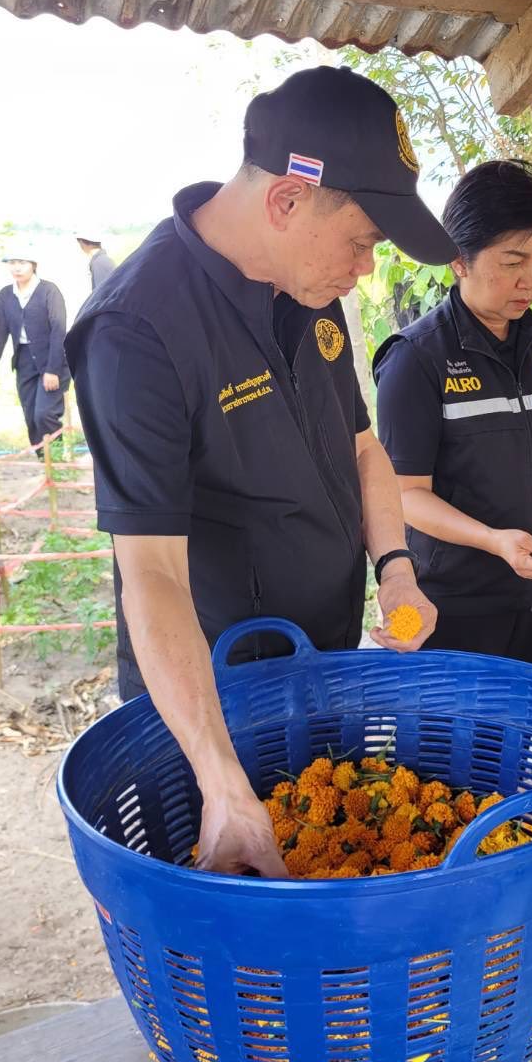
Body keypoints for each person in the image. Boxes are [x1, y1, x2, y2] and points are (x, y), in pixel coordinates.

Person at [65, 66, 453, 879]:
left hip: (320, 660)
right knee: (237, 910)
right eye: (361, 243)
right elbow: (152, 575)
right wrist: (219, 779)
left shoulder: (306, 286)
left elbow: (360, 446)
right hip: (215, 699)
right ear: (285, 201)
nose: (365, 271)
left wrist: (395, 570)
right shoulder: (136, 330)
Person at [372, 161, 532, 664]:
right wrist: (494, 541)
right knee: (445, 741)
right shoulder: (416, 358)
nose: (531, 280)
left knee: (514, 741)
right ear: (459, 260)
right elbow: (405, 496)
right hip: (449, 606)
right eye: (513, 261)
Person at [0, 251, 69, 454]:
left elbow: (59, 330)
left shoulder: (49, 291)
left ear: (33, 264)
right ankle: (45, 465)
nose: (16, 267)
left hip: (51, 360)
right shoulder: (5, 295)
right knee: (31, 418)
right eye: (12, 263)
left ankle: (57, 463)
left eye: (22, 262)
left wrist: (53, 369)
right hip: (23, 361)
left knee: (44, 414)